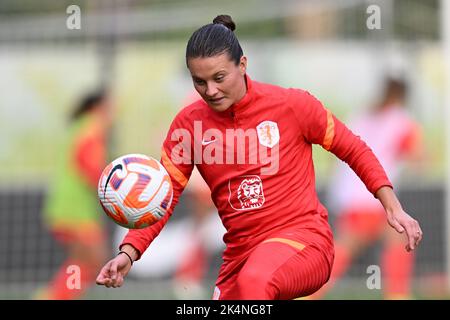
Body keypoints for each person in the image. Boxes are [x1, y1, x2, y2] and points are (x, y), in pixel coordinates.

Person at [95, 15, 423, 300]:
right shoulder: (188, 125)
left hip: (305, 243)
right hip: (240, 258)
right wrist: (129, 252)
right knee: (249, 280)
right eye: (199, 81)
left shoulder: (293, 106)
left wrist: (392, 205)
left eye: (219, 78)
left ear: (243, 65)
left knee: (257, 279)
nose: (210, 90)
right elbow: (162, 196)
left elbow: (354, 148)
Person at [310, 77, 424, 299]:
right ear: (403, 97)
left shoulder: (361, 115)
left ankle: (310, 291)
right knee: (348, 247)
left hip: (349, 192)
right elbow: (419, 157)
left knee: (394, 238)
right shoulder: (401, 120)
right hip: (373, 194)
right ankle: (310, 292)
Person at [35, 89, 114, 299]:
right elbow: (88, 165)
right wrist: (112, 189)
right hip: (75, 209)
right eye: (110, 107)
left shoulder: (79, 126)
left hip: (66, 207)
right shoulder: (92, 128)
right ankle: (53, 296)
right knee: (94, 259)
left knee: (84, 261)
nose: (113, 113)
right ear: (98, 107)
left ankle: (58, 295)